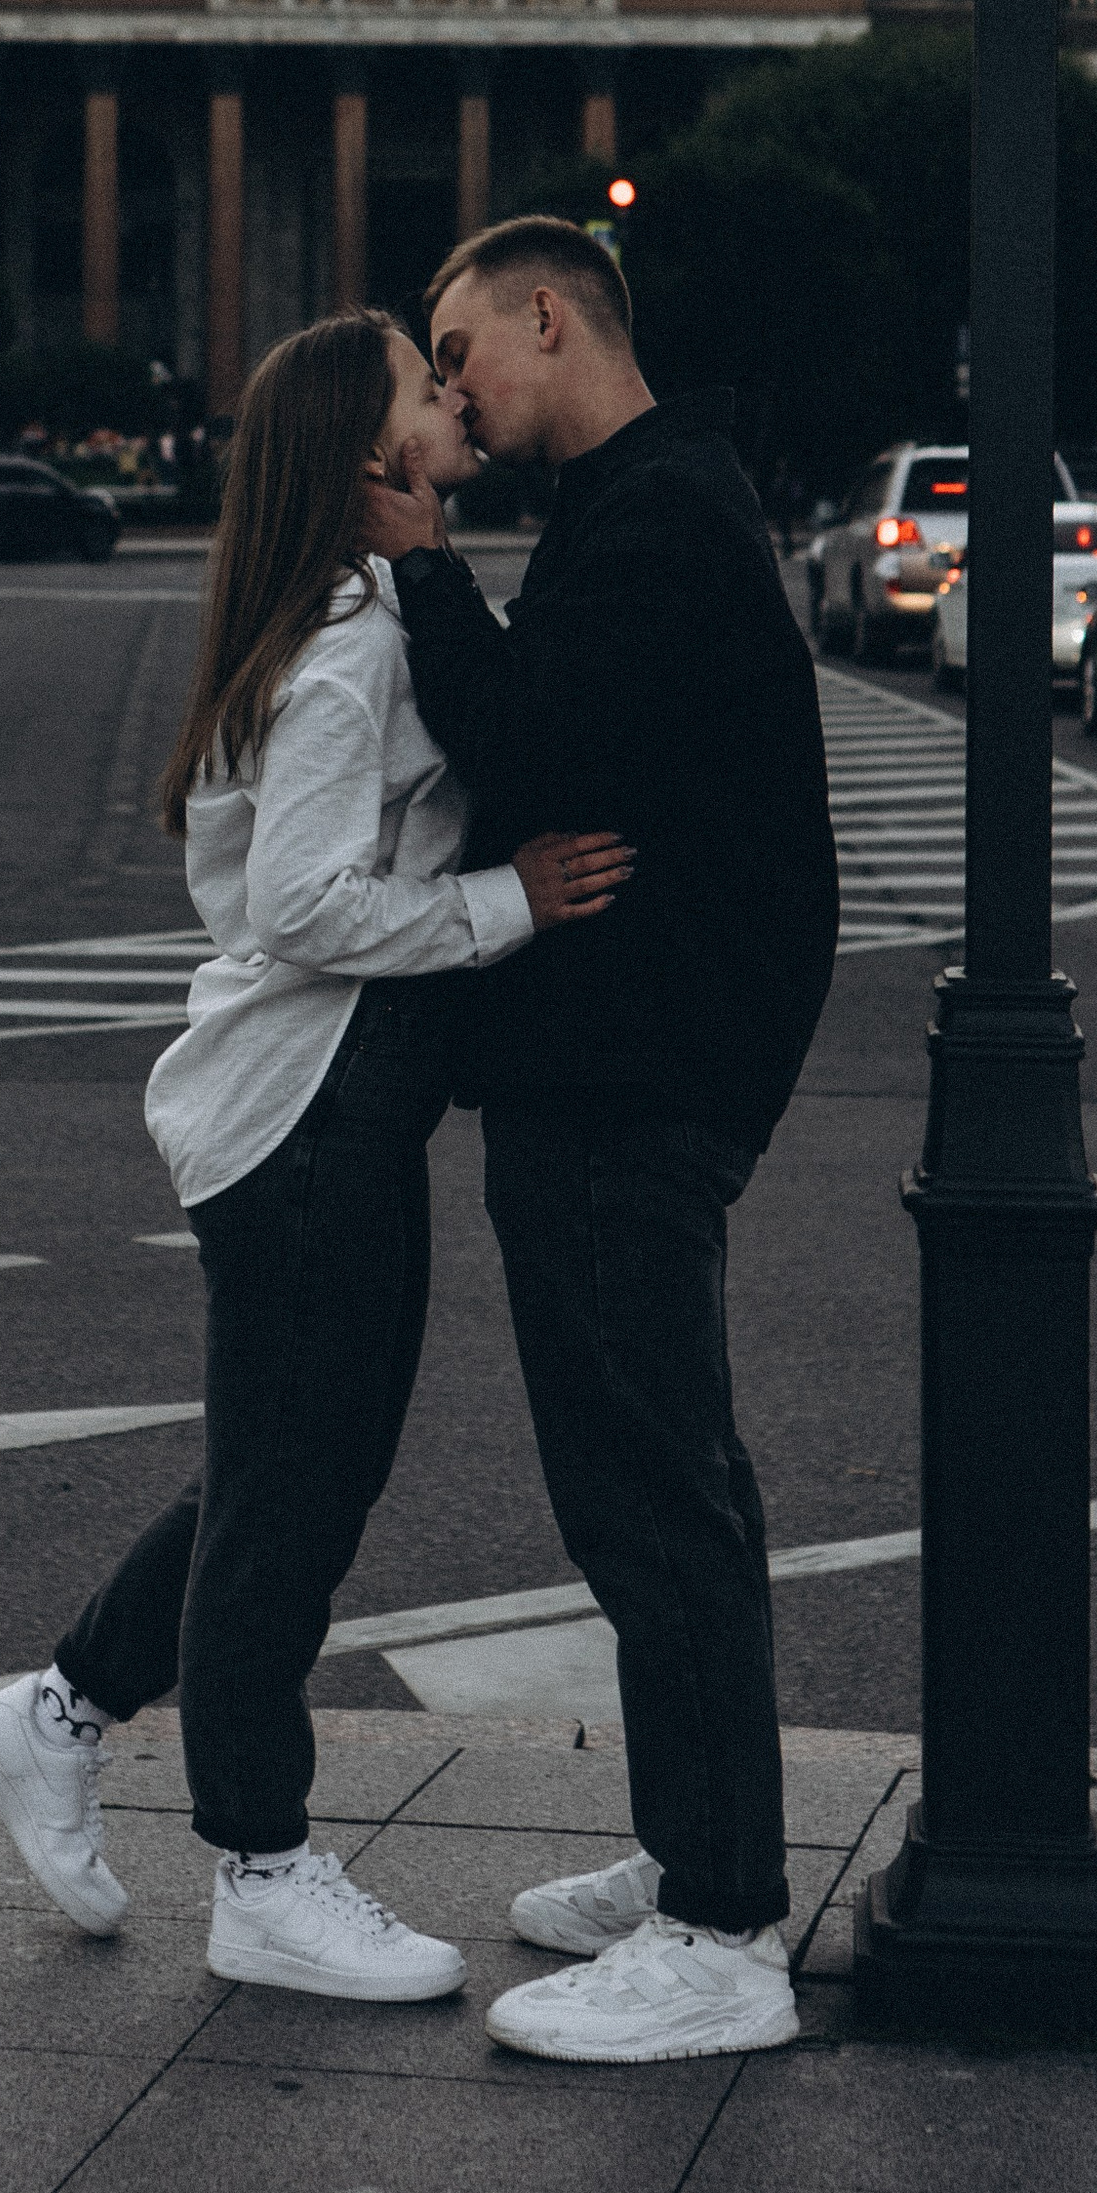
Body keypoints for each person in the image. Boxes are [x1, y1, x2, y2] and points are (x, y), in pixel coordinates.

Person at [0, 309, 633, 2006]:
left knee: (285, 1467)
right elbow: (302, 903)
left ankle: (58, 1716)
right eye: (423, 381)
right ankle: (259, 1868)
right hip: (309, 1112)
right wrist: (509, 902)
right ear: (370, 451)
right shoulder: (349, 643)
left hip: (320, 1108)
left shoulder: (359, 611)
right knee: (294, 1496)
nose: (453, 395)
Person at [361, 213, 838, 2066]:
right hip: (634, 1067)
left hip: (626, 1078)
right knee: (657, 1487)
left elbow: (525, 743)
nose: (453, 389)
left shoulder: (655, 519)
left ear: (549, 317)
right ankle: (692, 1854)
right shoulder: (650, 499)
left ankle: (719, 1931)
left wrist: (421, 571)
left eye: (459, 349)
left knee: (653, 1498)